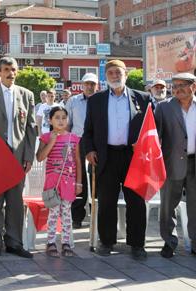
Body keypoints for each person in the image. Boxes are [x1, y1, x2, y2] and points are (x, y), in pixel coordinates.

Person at [83, 59, 153, 261]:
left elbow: (152, 129)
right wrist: (89, 151)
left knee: (136, 202)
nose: (115, 75)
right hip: (106, 156)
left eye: (118, 72)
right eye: (111, 72)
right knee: (106, 201)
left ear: (126, 75)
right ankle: (106, 242)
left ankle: (137, 245)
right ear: (106, 76)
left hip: (134, 158)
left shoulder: (143, 98)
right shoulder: (96, 100)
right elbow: (88, 131)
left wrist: (143, 146)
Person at [0, 57, 36, 259]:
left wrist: (29, 156)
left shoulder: (27, 95)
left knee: (16, 203)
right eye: (5, 69)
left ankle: (14, 243)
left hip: (18, 157)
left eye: (13, 69)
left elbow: (31, 128)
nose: (10, 73)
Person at [154, 73, 196, 258]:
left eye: (182, 85)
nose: (177, 89)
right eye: (175, 85)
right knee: (168, 206)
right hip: (171, 162)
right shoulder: (164, 108)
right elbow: (155, 136)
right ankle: (169, 242)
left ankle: (195, 243)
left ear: (193, 86)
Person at [36, 106, 81, 257]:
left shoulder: (74, 138)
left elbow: (77, 161)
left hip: (69, 181)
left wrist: (79, 182)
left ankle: (66, 243)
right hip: (52, 181)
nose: (61, 121)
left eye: (64, 117)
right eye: (57, 117)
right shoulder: (46, 137)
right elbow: (40, 157)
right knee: (53, 212)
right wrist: (52, 142)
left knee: (67, 212)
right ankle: (50, 242)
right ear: (50, 120)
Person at [66, 73, 98, 229]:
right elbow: (67, 124)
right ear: (82, 85)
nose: (90, 87)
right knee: (78, 180)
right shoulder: (73, 101)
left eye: (93, 84)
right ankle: (77, 217)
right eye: (87, 84)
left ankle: (96, 214)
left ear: (97, 86)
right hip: (77, 142)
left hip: (96, 144)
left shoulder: (102, 100)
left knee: (96, 178)